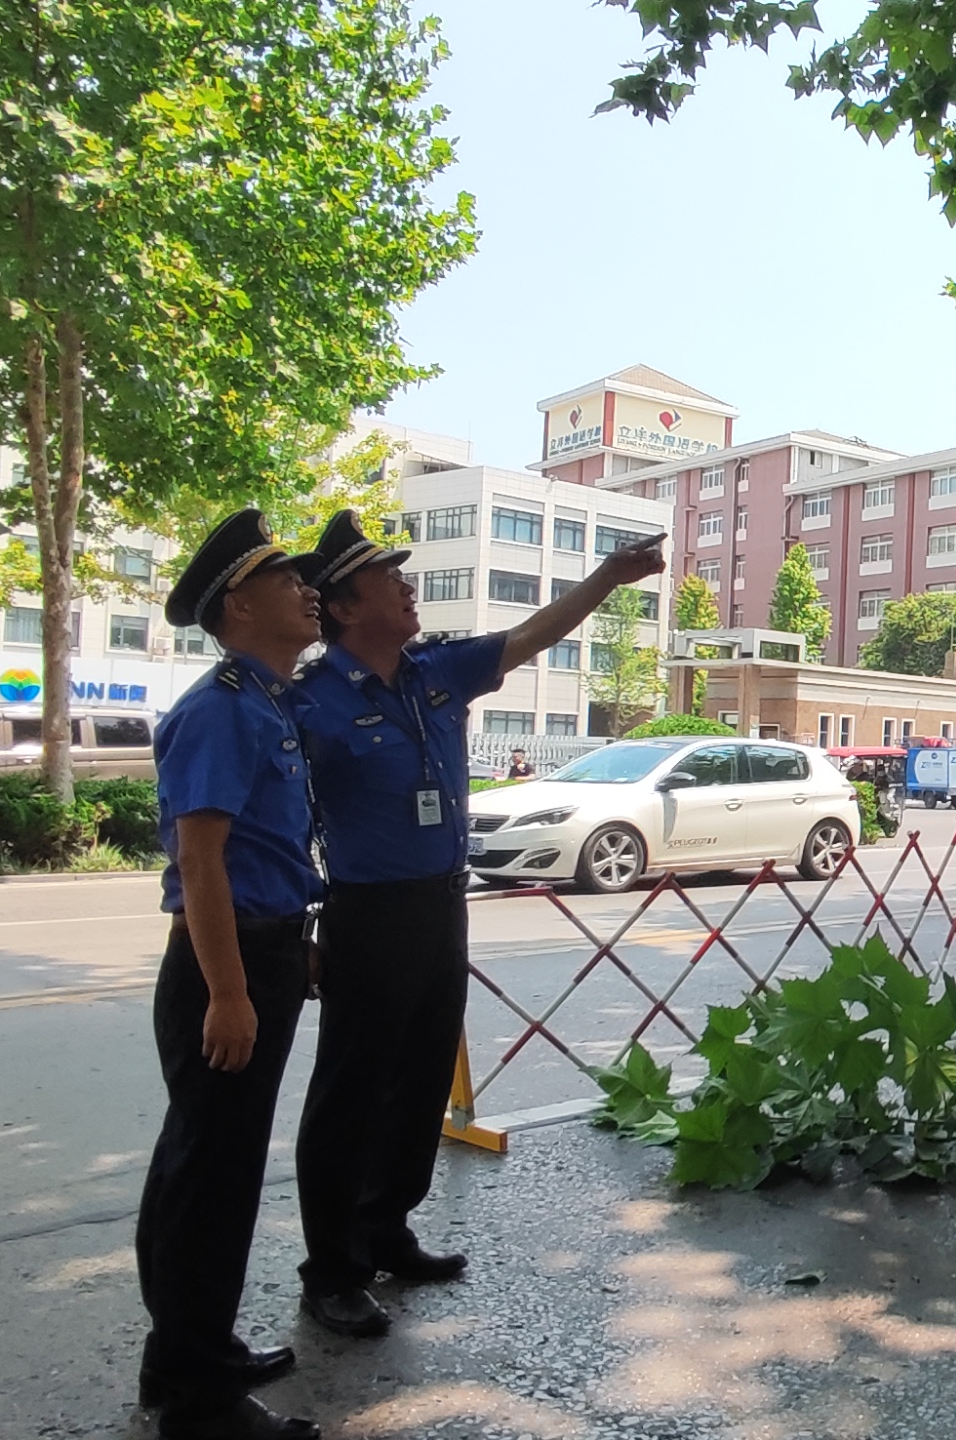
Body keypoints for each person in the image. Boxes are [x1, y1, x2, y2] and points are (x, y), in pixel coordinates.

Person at [286, 510, 665, 1339]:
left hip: (438, 903)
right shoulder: (309, 704)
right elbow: (284, 816)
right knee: (351, 1092)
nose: (409, 587)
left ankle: (387, 1228)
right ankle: (333, 1269)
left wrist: (610, 577)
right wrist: (302, 925)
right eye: (390, 579)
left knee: (421, 1075)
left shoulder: (435, 671)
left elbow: (536, 633)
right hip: (365, 911)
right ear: (346, 608)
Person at [135, 510, 325, 1440]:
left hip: (267, 947)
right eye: (290, 582)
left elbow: (261, 852)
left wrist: (294, 942)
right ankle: (199, 1399)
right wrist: (231, 991)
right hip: (228, 961)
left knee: (210, 1164)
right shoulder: (219, 709)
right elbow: (199, 865)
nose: (309, 592)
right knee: (209, 1175)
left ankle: (184, 1350)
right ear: (241, 605)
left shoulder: (265, 701)